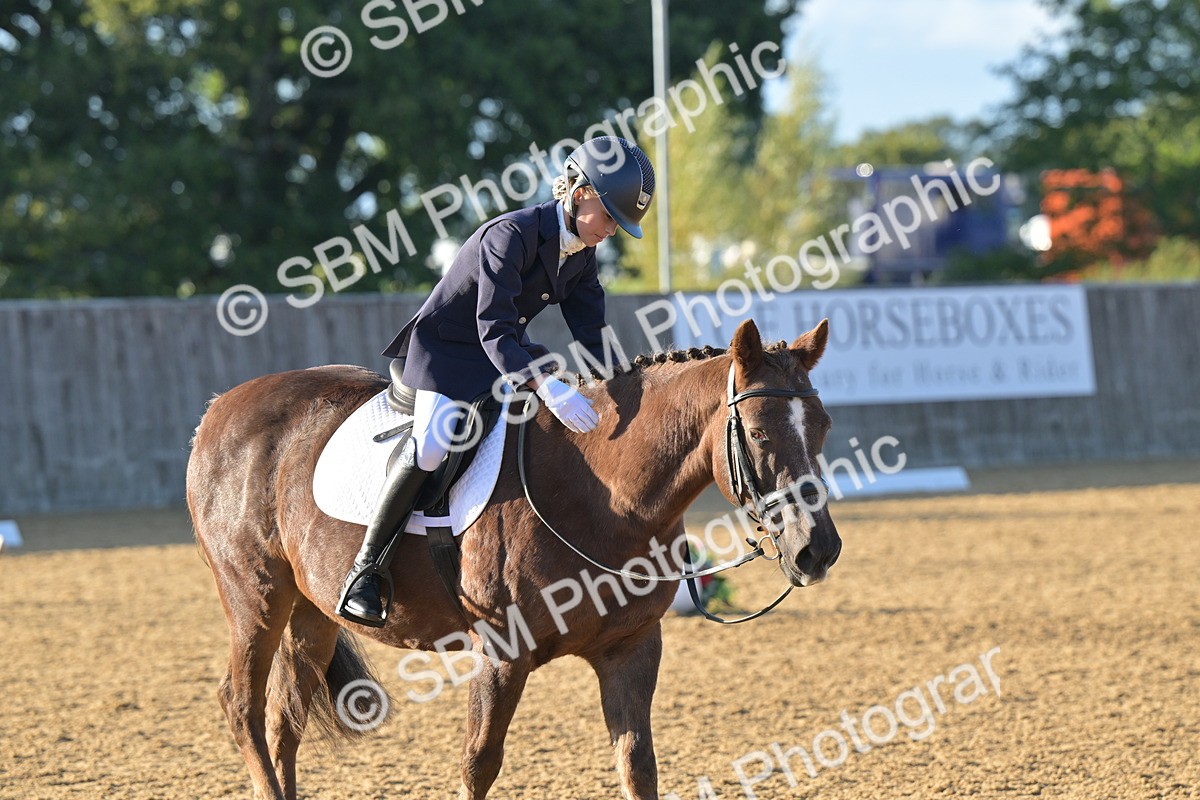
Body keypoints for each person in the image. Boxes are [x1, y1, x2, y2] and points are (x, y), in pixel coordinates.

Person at [337, 136, 656, 627]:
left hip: (501, 355)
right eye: (610, 216)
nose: (613, 230)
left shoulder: (582, 256)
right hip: (447, 354)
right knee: (431, 445)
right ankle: (365, 570)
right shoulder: (510, 236)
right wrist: (544, 384)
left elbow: (593, 337)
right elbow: (494, 327)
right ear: (577, 193)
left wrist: (627, 388)